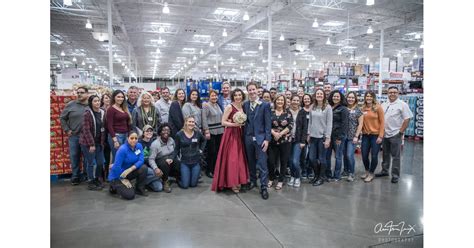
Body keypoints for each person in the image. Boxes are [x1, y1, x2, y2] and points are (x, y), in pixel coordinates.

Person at [211, 88, 249, 193]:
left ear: (242, 96)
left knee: (240, 158)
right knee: (232, 159)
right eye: (236, 95)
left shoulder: (244, 106)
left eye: (239, 95)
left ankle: (239, 180)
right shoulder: (229, 107)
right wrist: (235, 124)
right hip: (231, 134)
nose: (238, 97)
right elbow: (223, 122)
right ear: (233, 97)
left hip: (240, 134)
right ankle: (231, 182)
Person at [376, 86, 413, 183]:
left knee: (396, 156)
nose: (392, 94)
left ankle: (395, 175)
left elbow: (407, 119)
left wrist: (400, 132)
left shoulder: (402, 105)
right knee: (385, 154)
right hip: (384, 133)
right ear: (387, 93)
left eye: (394, 92)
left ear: (398, 93)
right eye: (390, 92)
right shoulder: (384, 104)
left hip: (395, 133)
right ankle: (385, 170)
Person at [243, 82, 272, 200]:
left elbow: (268, 124)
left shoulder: (265, 105)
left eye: (253, 89)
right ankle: (253, 181)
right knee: (251, 162)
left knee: (262, 163)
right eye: (249, 90)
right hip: (248, 138)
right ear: (247, 91)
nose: (252, 92)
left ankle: (264, 186)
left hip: (261, 139)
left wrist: (267, 139)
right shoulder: (245, 105)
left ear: (257, 90)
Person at [60, 86, 89, 185]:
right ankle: (75, 176)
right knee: (74, 156)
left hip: (87, 137)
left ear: (87, 94)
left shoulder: (91, 105)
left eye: (82, 92)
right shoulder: (71, 105)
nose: (79, 94)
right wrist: (67, 130)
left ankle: (86, 175)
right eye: (78, 92)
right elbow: (62, 118)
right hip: (74, 136)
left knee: (87, 157)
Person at [108, 131, 148, 200]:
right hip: (117, 175)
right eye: (131, 138)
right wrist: (122, 179)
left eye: (136, 138)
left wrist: (131, 169)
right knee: (130, 195)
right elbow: (116, 167)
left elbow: (141, 160)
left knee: (143, 168)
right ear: (127, 138)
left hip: (128, 172)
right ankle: (113, 186)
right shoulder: (122, 149)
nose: (134, 140)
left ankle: (139, 189)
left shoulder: (139, 146)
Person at [79, 95, 106, 190]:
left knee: (100, 162)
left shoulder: (103, 112)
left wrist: (102, 143)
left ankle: (97, 179)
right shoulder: (87, 114)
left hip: (99, 143)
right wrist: (91, 144)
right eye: (95, 101)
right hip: (88, 143)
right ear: (91, 103)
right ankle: (91, 181)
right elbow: (86, 130)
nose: (97, 103)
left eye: (98, 101)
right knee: (91, 163)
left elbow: (103, 128)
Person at [267, 94, 294, 190]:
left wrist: (280, 134)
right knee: (271, 161)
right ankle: (271, 178)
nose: (280, 102)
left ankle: (281, 180)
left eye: (282, 100)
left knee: (284, 161)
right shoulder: (270, 112)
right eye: (278, 100)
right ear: (275, 101)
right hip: (272, 140)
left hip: (285, 141)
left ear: (284, 102)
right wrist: (274, 133)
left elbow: (290, 125)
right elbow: (266, 124)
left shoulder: (288, 112)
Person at [307, 88, 332, 186]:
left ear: (324, 95)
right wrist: (308, 134)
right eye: (318, 94)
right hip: (313, 137)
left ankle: (321, 177)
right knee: (312, 158)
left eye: (321, 94)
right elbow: (310, 122)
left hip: (322, 137)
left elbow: (329, 124)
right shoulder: (312, 106)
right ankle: (316, 175)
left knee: (322, 159)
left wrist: (328, 138)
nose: (319, 95)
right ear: (315, 95)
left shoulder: (328, 107)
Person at [173, 116, 207, 189]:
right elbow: (176, 149)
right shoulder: (179, 134)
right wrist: (171, 158)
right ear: (186, 122)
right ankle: (178, 178)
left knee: (193, 184)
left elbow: (204, 140)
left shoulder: (197, 133)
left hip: (196, 162)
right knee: (185, 186)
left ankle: (192, 177)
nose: (191, 123)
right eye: (189, 121)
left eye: (193, 122)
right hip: (184, 163)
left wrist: (201, 150)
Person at [360, 91, 385, 183]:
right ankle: (367, 171)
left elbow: (382, 122)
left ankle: (371, 173)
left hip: (376, 135)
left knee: (374, 156)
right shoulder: (363, 108)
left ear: (373, 97)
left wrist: (381, 136)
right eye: (367, 96)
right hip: (365, 135)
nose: (368, 98)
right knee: (364, 155)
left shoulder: (378, 108)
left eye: (370, 96)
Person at [326, 90, 349, 181]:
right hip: (328, 136)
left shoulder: (343, 109)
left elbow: (344, 124)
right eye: (334, 96)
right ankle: (328, 174)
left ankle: (337, 175)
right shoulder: (329, 107)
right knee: (327, 156)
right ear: (331, 97)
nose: (335, 98)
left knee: (338, 156)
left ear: (341, 98)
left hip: (337, 137)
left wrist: (340, 137)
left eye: (337, 96)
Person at [149, 123, 179, 193]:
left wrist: (172, 158)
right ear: (160, 132)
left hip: (171, 159)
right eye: (164, 130)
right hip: (161, 162)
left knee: (178, 163)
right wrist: (155, 168)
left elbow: (175, 152)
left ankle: (177, 177)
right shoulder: (155, 144)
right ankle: (165, 181)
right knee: (164, 163)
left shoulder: (171, 140)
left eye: (168, 130)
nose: (166, 132)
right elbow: (151, 159)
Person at [202, 90, 224, 178]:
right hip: (211, 132)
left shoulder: (218, 105)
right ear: (209, 97)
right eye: (212, 96)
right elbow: (204, 118)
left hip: (220, 131)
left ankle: (215, 169)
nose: (214, 97)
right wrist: (206, 130)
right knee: (211, 152)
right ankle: (209, 170)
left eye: (215, 95)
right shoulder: (206, 105)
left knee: (218, 152)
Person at [343, 92, 364, 182]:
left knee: (349, 154)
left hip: (353, 136)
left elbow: (360, 124)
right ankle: (345, 170)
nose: (350, 99)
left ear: (355, 99)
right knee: (344, 155)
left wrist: (356, 136)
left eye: (352, 98)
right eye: (349, 97)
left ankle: (351, 173)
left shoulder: (358, 110)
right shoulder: (344, 108)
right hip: (343, 136)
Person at [106, 90, 132, 163]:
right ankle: (114, 174)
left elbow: (128, 123)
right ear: (114, 97)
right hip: (116, 136)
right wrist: (115, 140)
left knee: (124, 157)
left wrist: (128, 136)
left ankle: (122, 173)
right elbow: (109, 125)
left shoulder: (124, 108)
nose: (120, 99)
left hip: (125, 135)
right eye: (118, 97)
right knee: (117, 157)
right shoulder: (111, 109)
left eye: (122, 97)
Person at [137, 125, 163, 192]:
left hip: (152, 165)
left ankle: (144, 182)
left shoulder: (154, 142)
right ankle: (157, 178)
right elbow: (138, 158)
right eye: (147, 131)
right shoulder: (139, 143)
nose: (149, 133)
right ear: (143, 132)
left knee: (159, 188)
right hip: (143, 166)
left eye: (151, 131)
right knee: (156, 173)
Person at [288, 95, 306, 188]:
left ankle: (297, 177)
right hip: (288, 140)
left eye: (297, 100)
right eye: (293, 100)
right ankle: (292, 176)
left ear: (299, 102)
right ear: (290, 101)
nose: (295, 102)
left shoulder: (302, 112)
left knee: (295, 161)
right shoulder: (287, 111)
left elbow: (304, 128)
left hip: (298, 140)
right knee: (290, 161)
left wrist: (303, 141)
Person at [299, 94, 313, 179]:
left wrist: (310, 134)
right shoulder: (301, 111)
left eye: (308, 99)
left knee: (311, 155)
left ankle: (310, 171)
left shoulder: (314, 110)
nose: (307, 100)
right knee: (303, 155)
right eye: (305, 99)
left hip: (312, 135)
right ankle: (303, 170)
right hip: (303, 136)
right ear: (303, 100)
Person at [100, 92, 112, 180]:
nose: (107, 99)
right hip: (103, 135)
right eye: (105, 98)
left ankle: (109, 174)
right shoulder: (100, 110)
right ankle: (102, 175)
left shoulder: (113, 109)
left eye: (109, 98)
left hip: (111, 135)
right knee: (104, 156)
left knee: (112, 157)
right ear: (102, 100)